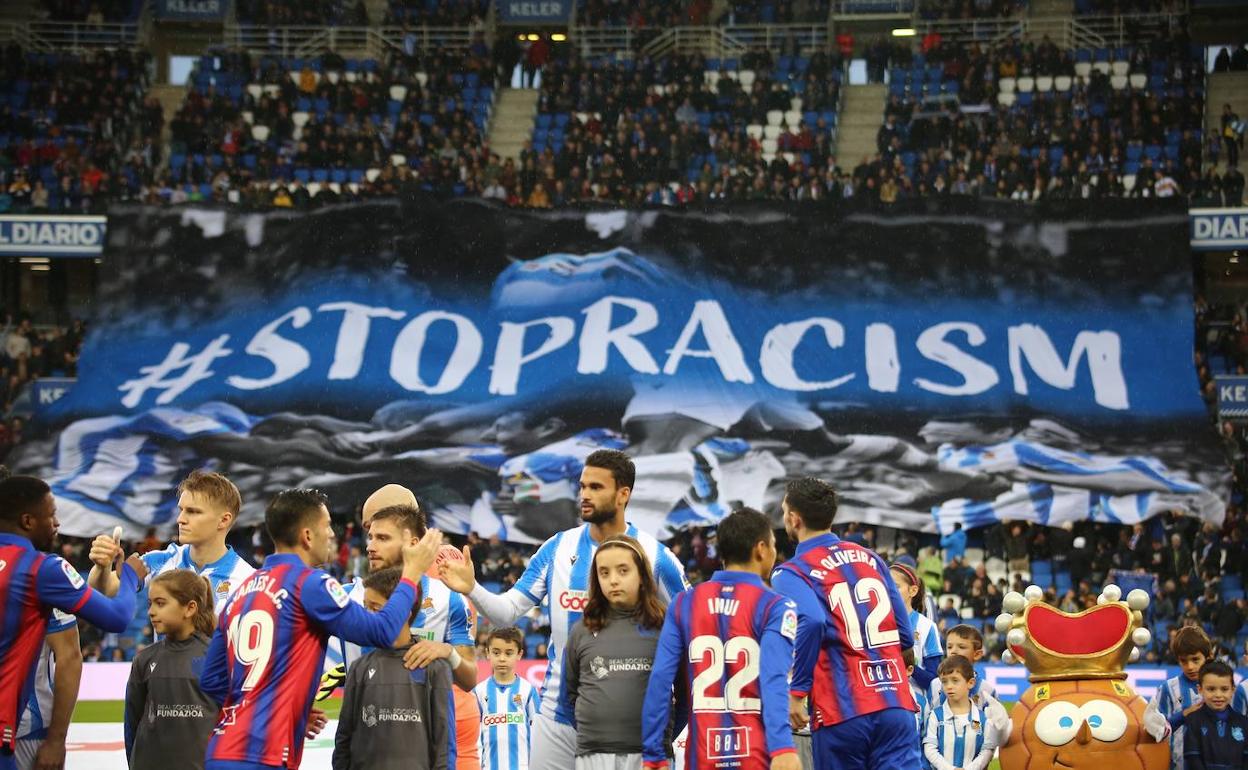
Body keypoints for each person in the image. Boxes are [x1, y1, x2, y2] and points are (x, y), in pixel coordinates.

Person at [438, 450, 689, 770]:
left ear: (623, 494)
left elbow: (691, 625)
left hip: (627, 727)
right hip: (557, 720)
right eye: (582, 486)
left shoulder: (656, 557)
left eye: (596, 487)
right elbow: (508, 611)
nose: (584, 494)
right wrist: (472, 588)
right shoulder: (557, 549)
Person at [198, 487, 444, 770]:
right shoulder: (310, 583)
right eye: (327, 526)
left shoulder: (240, 594)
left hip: (222, 750)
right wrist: (412, 573)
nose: (331, 535)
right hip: (266, 754)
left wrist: (284, 710)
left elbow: (212, 680)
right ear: (307, 536)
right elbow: (384, 631)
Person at [321, 490, 479, 770]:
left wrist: (447, 653)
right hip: (362, 752)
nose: (370, 546)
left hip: (419, 755)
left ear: (413, 543)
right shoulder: (344, 597)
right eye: (369, 536)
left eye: (382, 538)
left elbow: (469, 679)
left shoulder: (449, 600)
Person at [770, 477, 917, 770]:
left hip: (843, 710)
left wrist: (797, 692)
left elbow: (811, 622)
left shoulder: (791, 572)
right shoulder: (871, 559)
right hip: (895, 703)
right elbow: (905, 634)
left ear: (794, 519)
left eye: (785, 509)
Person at [641, 507, 800, 770]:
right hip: (756, 757)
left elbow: (660, 680)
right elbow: (773, 680)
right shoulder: (776, 606)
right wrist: (783, 747)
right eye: (772, 544)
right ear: (761, 549)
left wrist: (653, 753)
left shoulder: (683, 603)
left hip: (702, 756)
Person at [0, 475, 140, 770]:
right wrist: (128, 576)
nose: (57, 524)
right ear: (27, 520)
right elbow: (116, 618)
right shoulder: (41, 570)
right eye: (50, 515)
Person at [88, 470, 256, 615]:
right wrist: (102, 568)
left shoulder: (248, 581)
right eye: (181, 510)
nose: (180, 519)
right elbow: (104, 591)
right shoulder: (158, 561)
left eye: (192, 512)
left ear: (224, 520)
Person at [332, 567, 452, 770]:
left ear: (403, 612)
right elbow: (344, 739)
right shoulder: (359, 668)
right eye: (364, 607)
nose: (367, 616)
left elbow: (443, 744)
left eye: (375, 608)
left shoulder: (434, 668)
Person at [564, 534, 666, 770]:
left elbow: (683, 693)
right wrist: (595, 732)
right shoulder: (581, 631)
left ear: (642, 575)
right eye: (604, 572)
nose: (613, 580)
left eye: (623, 570)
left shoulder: (665, 628)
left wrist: (663, 739)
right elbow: (569, 696)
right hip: (593, 754)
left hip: (651, 756)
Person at [124, 570, 219, 770]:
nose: (150, 611)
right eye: (150, 604)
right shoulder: (143, 660)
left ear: (190, 608)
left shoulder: (217, 657)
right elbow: (132, 725)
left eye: (160, 603)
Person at [1148, 625, 1214, 770]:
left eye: (1195, 660)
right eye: (1184, 661)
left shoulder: (1220, 689)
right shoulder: (1168, 689)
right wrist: (1183, 715)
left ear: (1209, 657)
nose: (1190, 666)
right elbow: (1155, 730)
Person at [473, 627, 538, 770]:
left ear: (519, 654)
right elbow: (474, 738)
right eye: (496, 653)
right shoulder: (478, 692)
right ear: (487, 653)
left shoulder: (528, 691)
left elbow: (538, 735)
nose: (502, 658)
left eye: (509, 653)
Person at [922, 656, 999, 770]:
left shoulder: (982, 718)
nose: (949, 686)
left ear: (971, 683)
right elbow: (930, 748)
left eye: (955, 680)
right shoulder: (936, 716)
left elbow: (987, 750)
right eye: (944, 681)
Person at [1181, 660, 1248, 770]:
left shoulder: (1244, 723)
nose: (1218, 695)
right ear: (1200, 689)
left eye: (1224, 689)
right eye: (1211, 689)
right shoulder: (1193, 721)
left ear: (1232, 690)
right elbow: (1193, 760)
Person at [890, 562, 942, 690]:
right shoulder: (873, 623)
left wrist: (907, 663)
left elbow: (933, 681)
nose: (889, 591)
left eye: (895, 586)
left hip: (916, 704)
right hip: (882, 701)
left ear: (913, 591)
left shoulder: (926, 626)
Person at [929, 625, 998, 708]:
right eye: (949, 647)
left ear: (977, 654)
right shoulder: (934, 686)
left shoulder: (987, 691)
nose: (953, 651)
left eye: (961, 647)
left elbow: (995, 720)